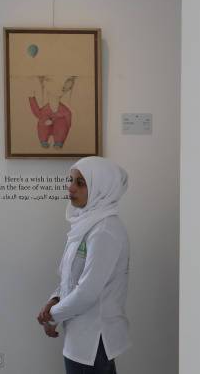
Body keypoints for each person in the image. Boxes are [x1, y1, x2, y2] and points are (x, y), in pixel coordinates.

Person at [37, 156, 131, 373]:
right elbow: (69, 276)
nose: (70, 187)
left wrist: (52, 317)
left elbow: (88, 291)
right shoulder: (85, 224)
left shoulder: (105, 230)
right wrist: (54, 299)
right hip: (78, 340)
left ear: (101, 188)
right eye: (71, 180)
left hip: (95, 341)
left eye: (80, 183)